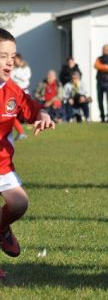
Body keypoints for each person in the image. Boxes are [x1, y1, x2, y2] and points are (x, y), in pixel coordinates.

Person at [0, 28, 54, 276]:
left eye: (12, 55)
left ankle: (2, 228)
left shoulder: (12, 90)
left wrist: (42, 115)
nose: (9, 61)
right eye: (2, 56)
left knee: (19, 204)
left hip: (2, 163)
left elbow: (32, 109)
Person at [94, 45, 108, 123]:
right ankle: (102, 117)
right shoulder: (99, 58)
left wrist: (101, 67)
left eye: (105, 49)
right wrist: (105, 66)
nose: (104, 50)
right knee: (100, 100)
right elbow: (96, 65)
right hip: (99, 81)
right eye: (103, 49)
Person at [10, 53, 31, 140]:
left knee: (27, 110)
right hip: (15, 93)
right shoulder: (12, 69)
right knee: (11, 113)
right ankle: (20, 132)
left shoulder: (26, 68)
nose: (15, 61)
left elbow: (25, 78)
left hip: (24, 92)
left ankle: (25, 128)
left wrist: (17, 75)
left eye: (17, 59)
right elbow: (11, 79)